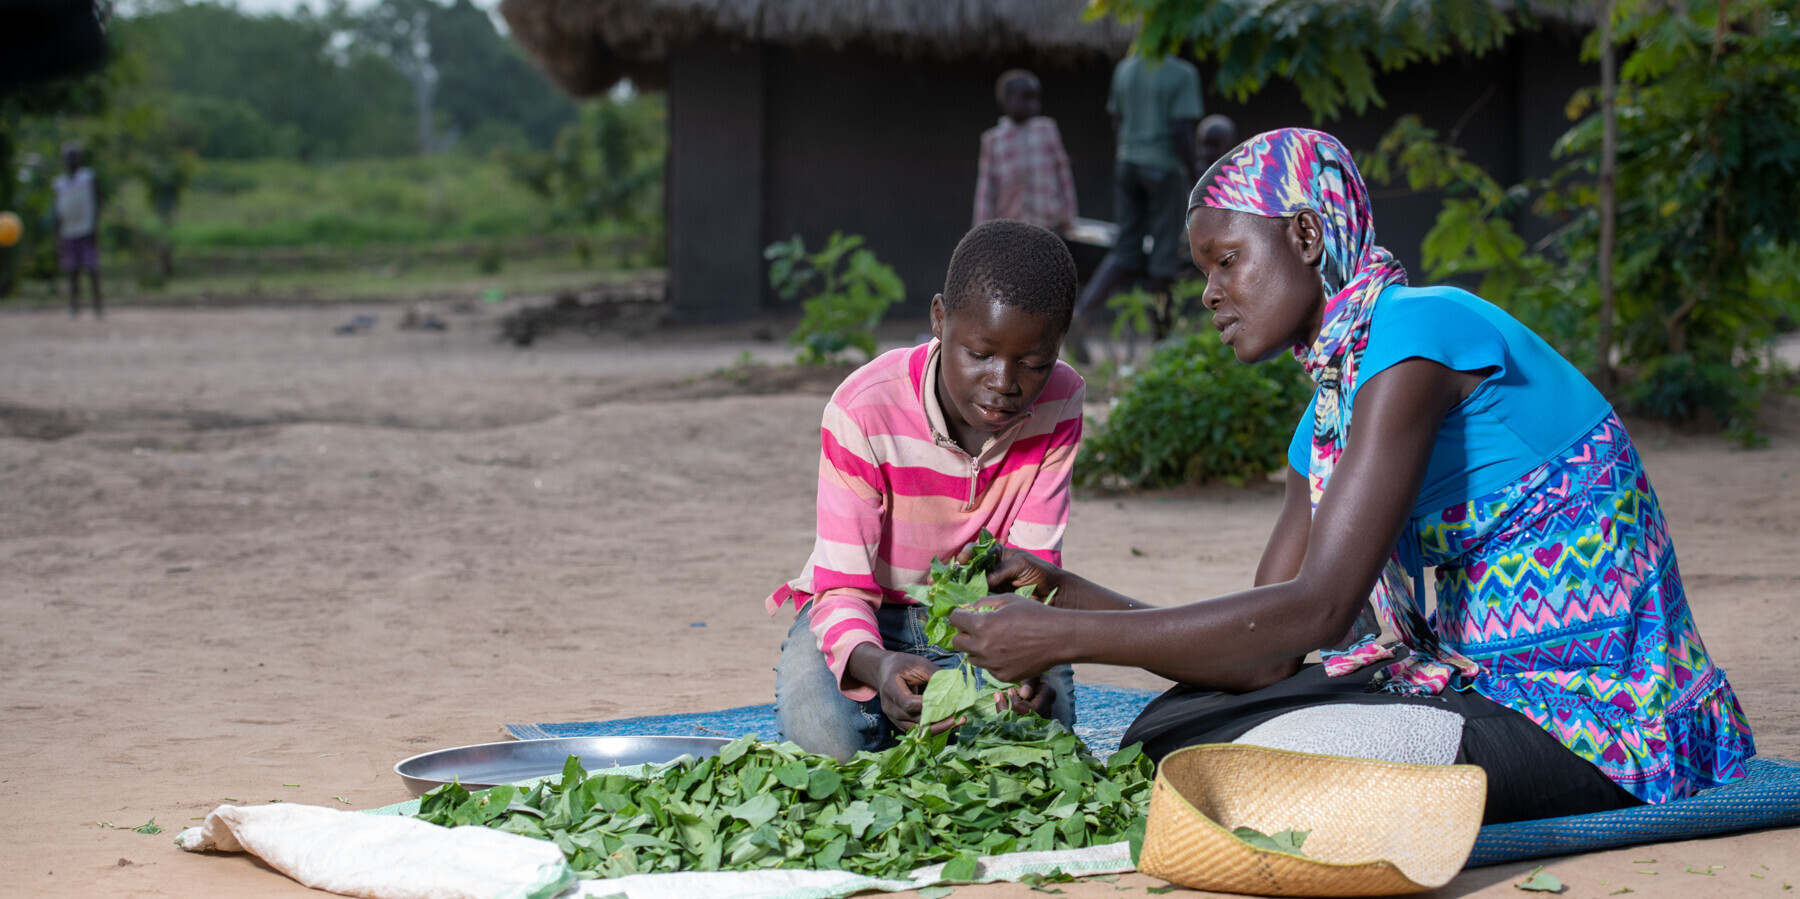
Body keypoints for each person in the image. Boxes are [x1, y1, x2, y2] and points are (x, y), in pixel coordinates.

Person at [948, 129, 1754, 824]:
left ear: (1304, 236)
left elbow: (1322, 606)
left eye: (1226, 261)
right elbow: (1261, 649)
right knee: (1169, 730)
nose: (1209, 293)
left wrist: (1067, 640)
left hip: (1597, 713)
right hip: (1476, 685)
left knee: (1222, 759)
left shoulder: (1418, 332)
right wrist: (1068, 592)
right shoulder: (1328, 416)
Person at [769, 219, 1086, 761]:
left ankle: (916, 723)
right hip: (864, 614)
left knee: (1035, 732)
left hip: (983, 617)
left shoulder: (1061, 400)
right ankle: (896, 709)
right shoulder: (863, 408)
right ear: (939, 319)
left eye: (1034, 363)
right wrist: (876, 663)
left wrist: (1020, 675)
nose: (1005, 382)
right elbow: (843, 587)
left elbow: (1030, 571)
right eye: (980, 353)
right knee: (824, 735)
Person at [1067, 53, 1203, 362]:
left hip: (1127, 163)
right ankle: (1162, 342)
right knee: (1163, 257)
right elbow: (1182, 130)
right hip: (1163, 168)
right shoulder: (1182, 73)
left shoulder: (1125, 70)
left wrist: (1129, 154)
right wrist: (1196, 176)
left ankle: (1083, 315)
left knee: (1126, 250)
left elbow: (1117, 121)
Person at [973, 69, 1078, 235]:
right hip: (1011, 230)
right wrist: (979, 233)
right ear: (1005, 100)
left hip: (1048, 227)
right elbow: (986, 191)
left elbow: (1064, 176)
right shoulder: (993, 140)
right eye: (1026, 98)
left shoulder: (1047, 131)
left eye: (1036, 98)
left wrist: (1069, 218)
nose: (1033, 104)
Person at [52, 140, 102, 319]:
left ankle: (98, 307)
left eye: (74, 157)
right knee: (72, 272)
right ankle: (74, 308)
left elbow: (98, 204)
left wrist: (95, 227)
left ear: (80, 159)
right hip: (68, 233)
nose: (71, 161)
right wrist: (57, 237)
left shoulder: (88, 178)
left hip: (87, 231)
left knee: (92, 270)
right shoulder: (58, 184)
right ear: (63, 160)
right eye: (68, 157)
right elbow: (57, 213)